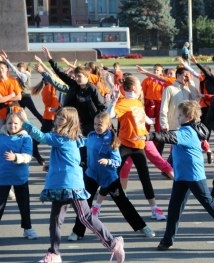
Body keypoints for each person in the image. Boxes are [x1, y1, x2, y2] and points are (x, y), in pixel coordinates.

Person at [134, 100, 214, 251]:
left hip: (194, 176)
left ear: (189, 117)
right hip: (181, 177)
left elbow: (168, 137)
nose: (178, 117)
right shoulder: (189, 129)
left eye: (180, 115)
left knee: (210, 204)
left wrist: (149, 137)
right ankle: (168, 240)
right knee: (174, 208)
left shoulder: (186, 132)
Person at [18, 107, 125, 263]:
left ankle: (114, 243)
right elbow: (68, 157)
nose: (57, 120)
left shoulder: (62, 138)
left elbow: (40, 137)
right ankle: (54, 253)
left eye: (62, 118)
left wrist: (26, 122)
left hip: (71, 185)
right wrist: (53, 165)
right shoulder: (71, 138)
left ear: (70, 122)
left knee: (85, 216)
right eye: (58, 117)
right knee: (55, 219)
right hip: (60, 184)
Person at [69, 111, 155, 241]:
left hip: (109, 178)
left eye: (100, 125)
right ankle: (77, 232)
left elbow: (117, 161)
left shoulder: (113, 141)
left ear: (108, 126)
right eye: (95, 124)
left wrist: (108, 161)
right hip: (91, 175)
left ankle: (142, 226)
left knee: (123, 203)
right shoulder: (91, 136)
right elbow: (81, 146)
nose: (97, 127)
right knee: (84, 204)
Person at [107, 75, 166, 221]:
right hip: (125, 145)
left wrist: (153, 121)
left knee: (145, 177)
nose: (141, 88)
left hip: (139, 145)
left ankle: (154, 209)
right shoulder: (123, 102)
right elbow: (110, 115)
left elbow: (143, 117)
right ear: (133, 88)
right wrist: (113, 101)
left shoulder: (138, 103)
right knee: (111, 174)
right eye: (139, 85)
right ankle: (96, 207)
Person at [0, 112, 37, 240]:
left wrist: (15, 157)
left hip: (20, 178)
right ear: (6, 123)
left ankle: (28, 229)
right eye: (10, 123)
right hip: (2, 178)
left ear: (21, 124)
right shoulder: (1, 136)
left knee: (24, 205)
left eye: (16, 123)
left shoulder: (26, 138)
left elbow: (27, 156)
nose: (12, 126)